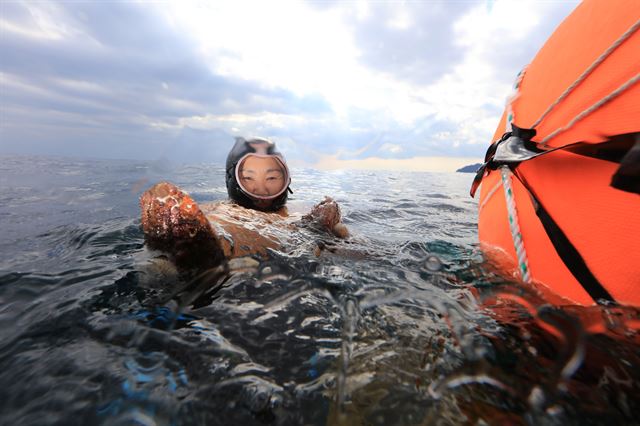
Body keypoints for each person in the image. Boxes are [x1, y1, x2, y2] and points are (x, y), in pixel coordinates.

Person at [140, 137, 348, 271]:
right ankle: (178, 263)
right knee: (163, 264)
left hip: (295, 262)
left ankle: (189, 264)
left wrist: (330, 230)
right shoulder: (217, 211)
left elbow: (350, 244)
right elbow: (210, 221)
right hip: (237, 262)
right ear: (232, 179)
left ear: (287, 180)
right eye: (249, 178)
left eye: (272, 178)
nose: (262, 190)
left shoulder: (302, 209)